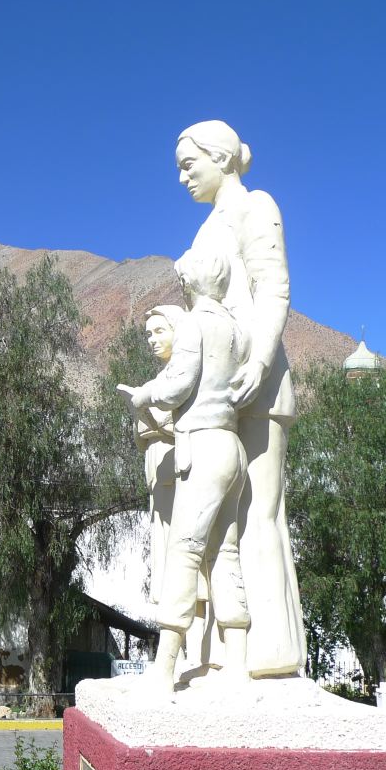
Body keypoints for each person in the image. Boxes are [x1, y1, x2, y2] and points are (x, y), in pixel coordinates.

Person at [172, 120, 306, 678]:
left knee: (258, 513)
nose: (182, 176)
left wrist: (259, 359)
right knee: (214, 519)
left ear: (222, 156)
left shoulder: (257, 206)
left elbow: (274, 287)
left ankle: (273, 648)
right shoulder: (208, 227)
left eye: (188, 164)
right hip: (218, 386)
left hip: (259, 380)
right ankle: (218, 651)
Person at [118, 248, 251, 693]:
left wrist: (142, 395)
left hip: (204, 443)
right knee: (224, 553)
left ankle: (164, 667)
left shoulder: (194, 323)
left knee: (185, 550)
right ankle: (237, 663)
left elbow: (179, 382)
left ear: (188, 283)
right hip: (233, 446)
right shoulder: (236, 329)